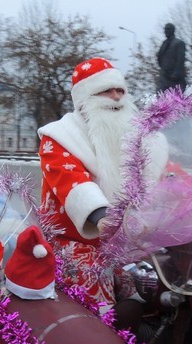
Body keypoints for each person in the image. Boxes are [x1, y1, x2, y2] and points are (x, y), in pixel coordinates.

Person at [38, 57, 166, 308]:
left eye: (121, 90)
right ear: (86, 98)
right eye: (106, 90)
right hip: (73, 240)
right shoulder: (60, 136)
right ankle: (101, 341)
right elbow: (70, 179)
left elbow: (167, 172)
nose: (116, 97)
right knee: (93, 280)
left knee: (168, 278)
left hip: (130, 239)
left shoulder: (143, 137)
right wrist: (100, 214)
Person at [157, 23, 186, 92]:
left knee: (174, 98)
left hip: (174, 77)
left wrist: (176, 73)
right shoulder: (164, 43)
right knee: (160, 95)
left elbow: (181, 60)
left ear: (173, 30)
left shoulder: (179, 43)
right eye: (165, 29)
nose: (166, 31)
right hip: (164, 76)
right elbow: (160, 57)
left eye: (168, 29)